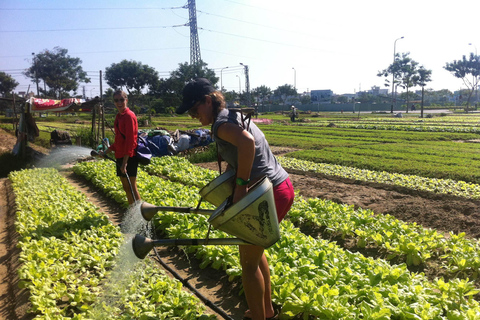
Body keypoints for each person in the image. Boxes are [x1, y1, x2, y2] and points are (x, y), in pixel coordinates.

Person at [177, 78, 295, 320]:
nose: (193, 116)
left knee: (248, 264)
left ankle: (260, 317)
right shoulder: (232, 114)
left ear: (207, 101)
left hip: (265, 194)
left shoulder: (221, 124)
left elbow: (247, 143)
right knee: (255, 253)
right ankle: (266, 312)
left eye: (194, 110)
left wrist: (240, 187)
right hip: (280, 187)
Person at [101, 90, 141, 205]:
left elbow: (130, 141)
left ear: (126, 100)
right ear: (114, 102)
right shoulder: (119, 117)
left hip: (129, 158)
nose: (119, 102)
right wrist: (106, 152)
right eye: (116, 100)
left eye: (121, 99)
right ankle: (132, 216)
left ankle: (140, 218)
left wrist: (125, 162)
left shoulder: (129, 116)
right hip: (120, 156)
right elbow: (118, 141)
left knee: (132, 187)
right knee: (126, 187)